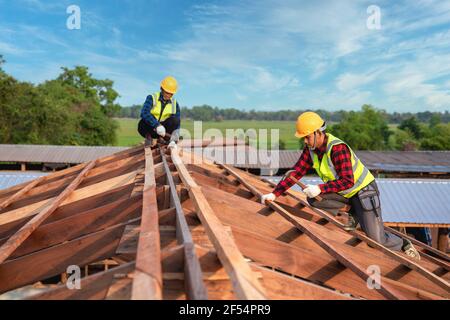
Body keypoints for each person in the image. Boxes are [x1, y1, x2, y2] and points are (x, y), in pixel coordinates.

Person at [261, 111, 421, 260]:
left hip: (364, 192)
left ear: (318, 133)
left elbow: (348, 181)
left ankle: (403, 243)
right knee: (314, 199)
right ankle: (355, 215)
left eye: (307, 137)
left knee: (375, 240)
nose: (305, 141)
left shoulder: (337, 149)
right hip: (346, 194)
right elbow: (296, 172)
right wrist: (274, 194)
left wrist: (320, 188)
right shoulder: (311, 149)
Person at [138, 76, 180, 148]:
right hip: (151, 128)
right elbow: (144, 113)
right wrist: (157, 125)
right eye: (167, 92)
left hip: (164, 132)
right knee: (143, 122)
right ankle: (149, 138)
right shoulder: (152, 98)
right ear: (161, 88)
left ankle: (164, 141)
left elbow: (177, 123)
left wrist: (174, 138)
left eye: (171, 93)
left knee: (175, 120)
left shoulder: (175, 103)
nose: (168, 95)